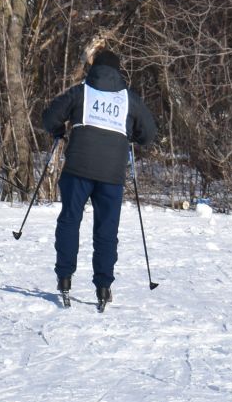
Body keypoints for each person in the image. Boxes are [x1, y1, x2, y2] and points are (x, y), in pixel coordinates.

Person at [38, 50, 159, 308]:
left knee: (70, 221)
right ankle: (103, 286)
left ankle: (65, 277)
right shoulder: (129, 99)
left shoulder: (82, 91)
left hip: (78, 168)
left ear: (93, 69)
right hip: (111, 174)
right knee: (106, 230)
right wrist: (131, 135)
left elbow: (49, 118)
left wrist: (60, 130)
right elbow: (149, 133)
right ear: (118, 71)